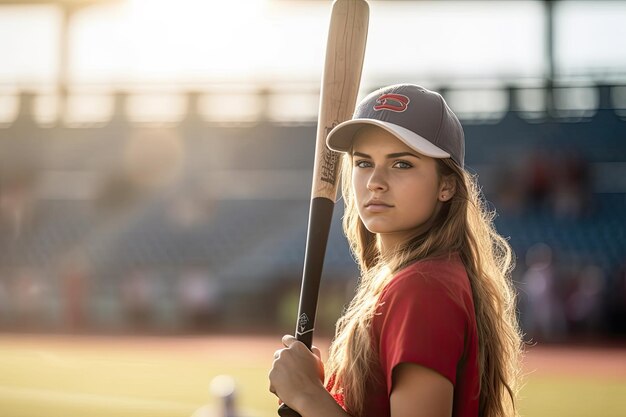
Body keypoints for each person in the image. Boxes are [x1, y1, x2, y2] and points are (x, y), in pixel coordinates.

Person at [269, 84, 523, 417]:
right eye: (363, 163)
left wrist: (307, 395)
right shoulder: (426, 276)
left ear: (446, 185)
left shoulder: (422, 287)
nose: (375, 181)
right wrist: (320, 393)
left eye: (401, 164)